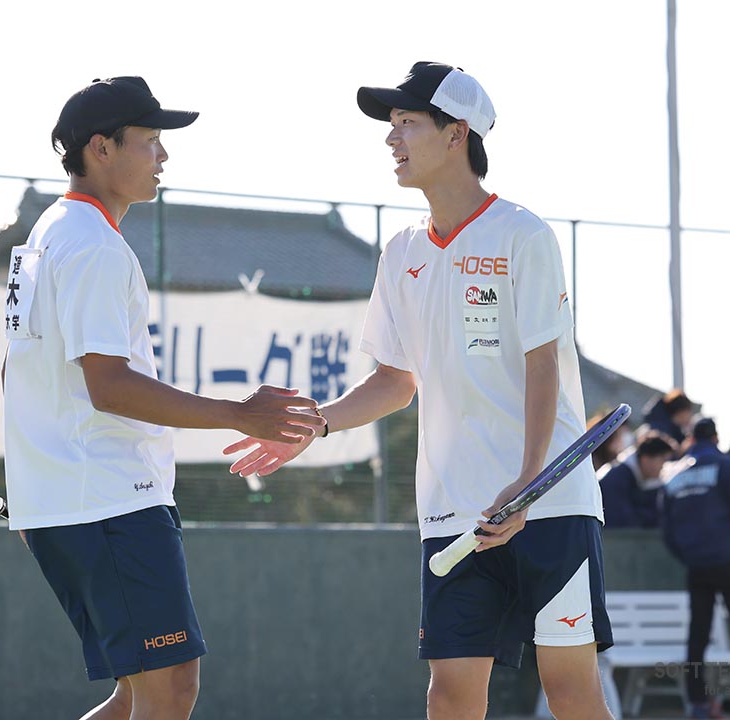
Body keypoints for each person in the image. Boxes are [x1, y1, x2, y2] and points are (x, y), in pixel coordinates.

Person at [224, 61, 612, 720]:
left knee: (571, 693)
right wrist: (317, 423)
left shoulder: (523, 233)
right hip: (452, 511)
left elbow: (543, 364)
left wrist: (527, 484)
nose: (391, 137)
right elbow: (395, 381)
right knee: (451, 695)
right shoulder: (400, 250)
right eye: (392, 124)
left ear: (457, 133)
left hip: (549, 504)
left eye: (407, 122)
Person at [2, 76, 324, 720]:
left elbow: (17, 371)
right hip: (108, 501)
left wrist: (38, 487)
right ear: (101, 148)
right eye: (149, 140)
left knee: (138, 695)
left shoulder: (51, 230)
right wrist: (241, 415)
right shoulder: (92, 245)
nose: (163, 155)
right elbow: (109, 386)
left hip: (73, 500)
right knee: (169, 689)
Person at [661, 418, 730, 718]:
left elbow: (666, 527)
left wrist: (687, 555)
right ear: (717, 438)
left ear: (692, 439)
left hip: (698, 565)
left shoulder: (674, 473)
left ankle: (699, 703)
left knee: (698, 635)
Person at [598, 432, 676, 528]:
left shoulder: (647, 481)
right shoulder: (614, 479)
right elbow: (620, 520)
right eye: (662, 460)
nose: (664, 467)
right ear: (646, 459)